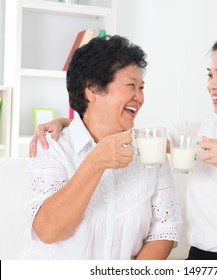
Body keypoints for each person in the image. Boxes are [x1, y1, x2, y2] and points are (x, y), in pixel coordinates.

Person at [30, 32, 217, 260]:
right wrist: (67, 123)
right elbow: (119, 131)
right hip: (199, 260)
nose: (212, 85)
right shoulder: (196, 133)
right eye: (209, 75)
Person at [20, 35, 182, 260]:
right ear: (92, 89)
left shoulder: (149, 149)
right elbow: (47, 231)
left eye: (141, 87)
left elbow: (164, 230)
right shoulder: (52, 145)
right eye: (131, 86)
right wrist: (95, 162)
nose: (140, 97)